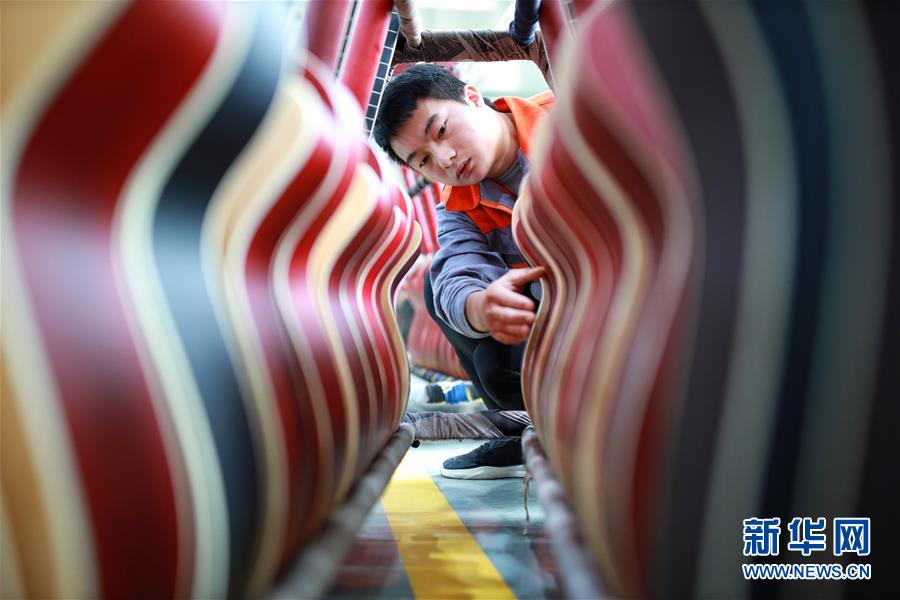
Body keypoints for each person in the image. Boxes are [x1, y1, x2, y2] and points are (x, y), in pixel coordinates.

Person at [374, 63, 552, 479]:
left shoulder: (568, 124)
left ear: (472, 97)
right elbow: (458, 271)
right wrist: (482, 308)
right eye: (423, 160)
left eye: (441, 130)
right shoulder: (457, 206)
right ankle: (522, 428)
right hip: (549, 317)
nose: (445, 159)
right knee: (441, 286)